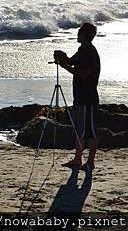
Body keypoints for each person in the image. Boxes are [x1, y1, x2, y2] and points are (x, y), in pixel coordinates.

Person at [54, 23, 101, 173]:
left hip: (88, 98)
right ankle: (77, 159)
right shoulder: (82, 50)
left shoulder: (90, 53)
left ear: (84, 35)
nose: (77, 34)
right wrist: (63, 58)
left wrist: (65, 66)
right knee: (80, 128)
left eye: (79, 32)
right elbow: (72, 61)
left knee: (91, 131)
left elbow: (83, 73)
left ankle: (90, 162)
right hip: (80, 96)